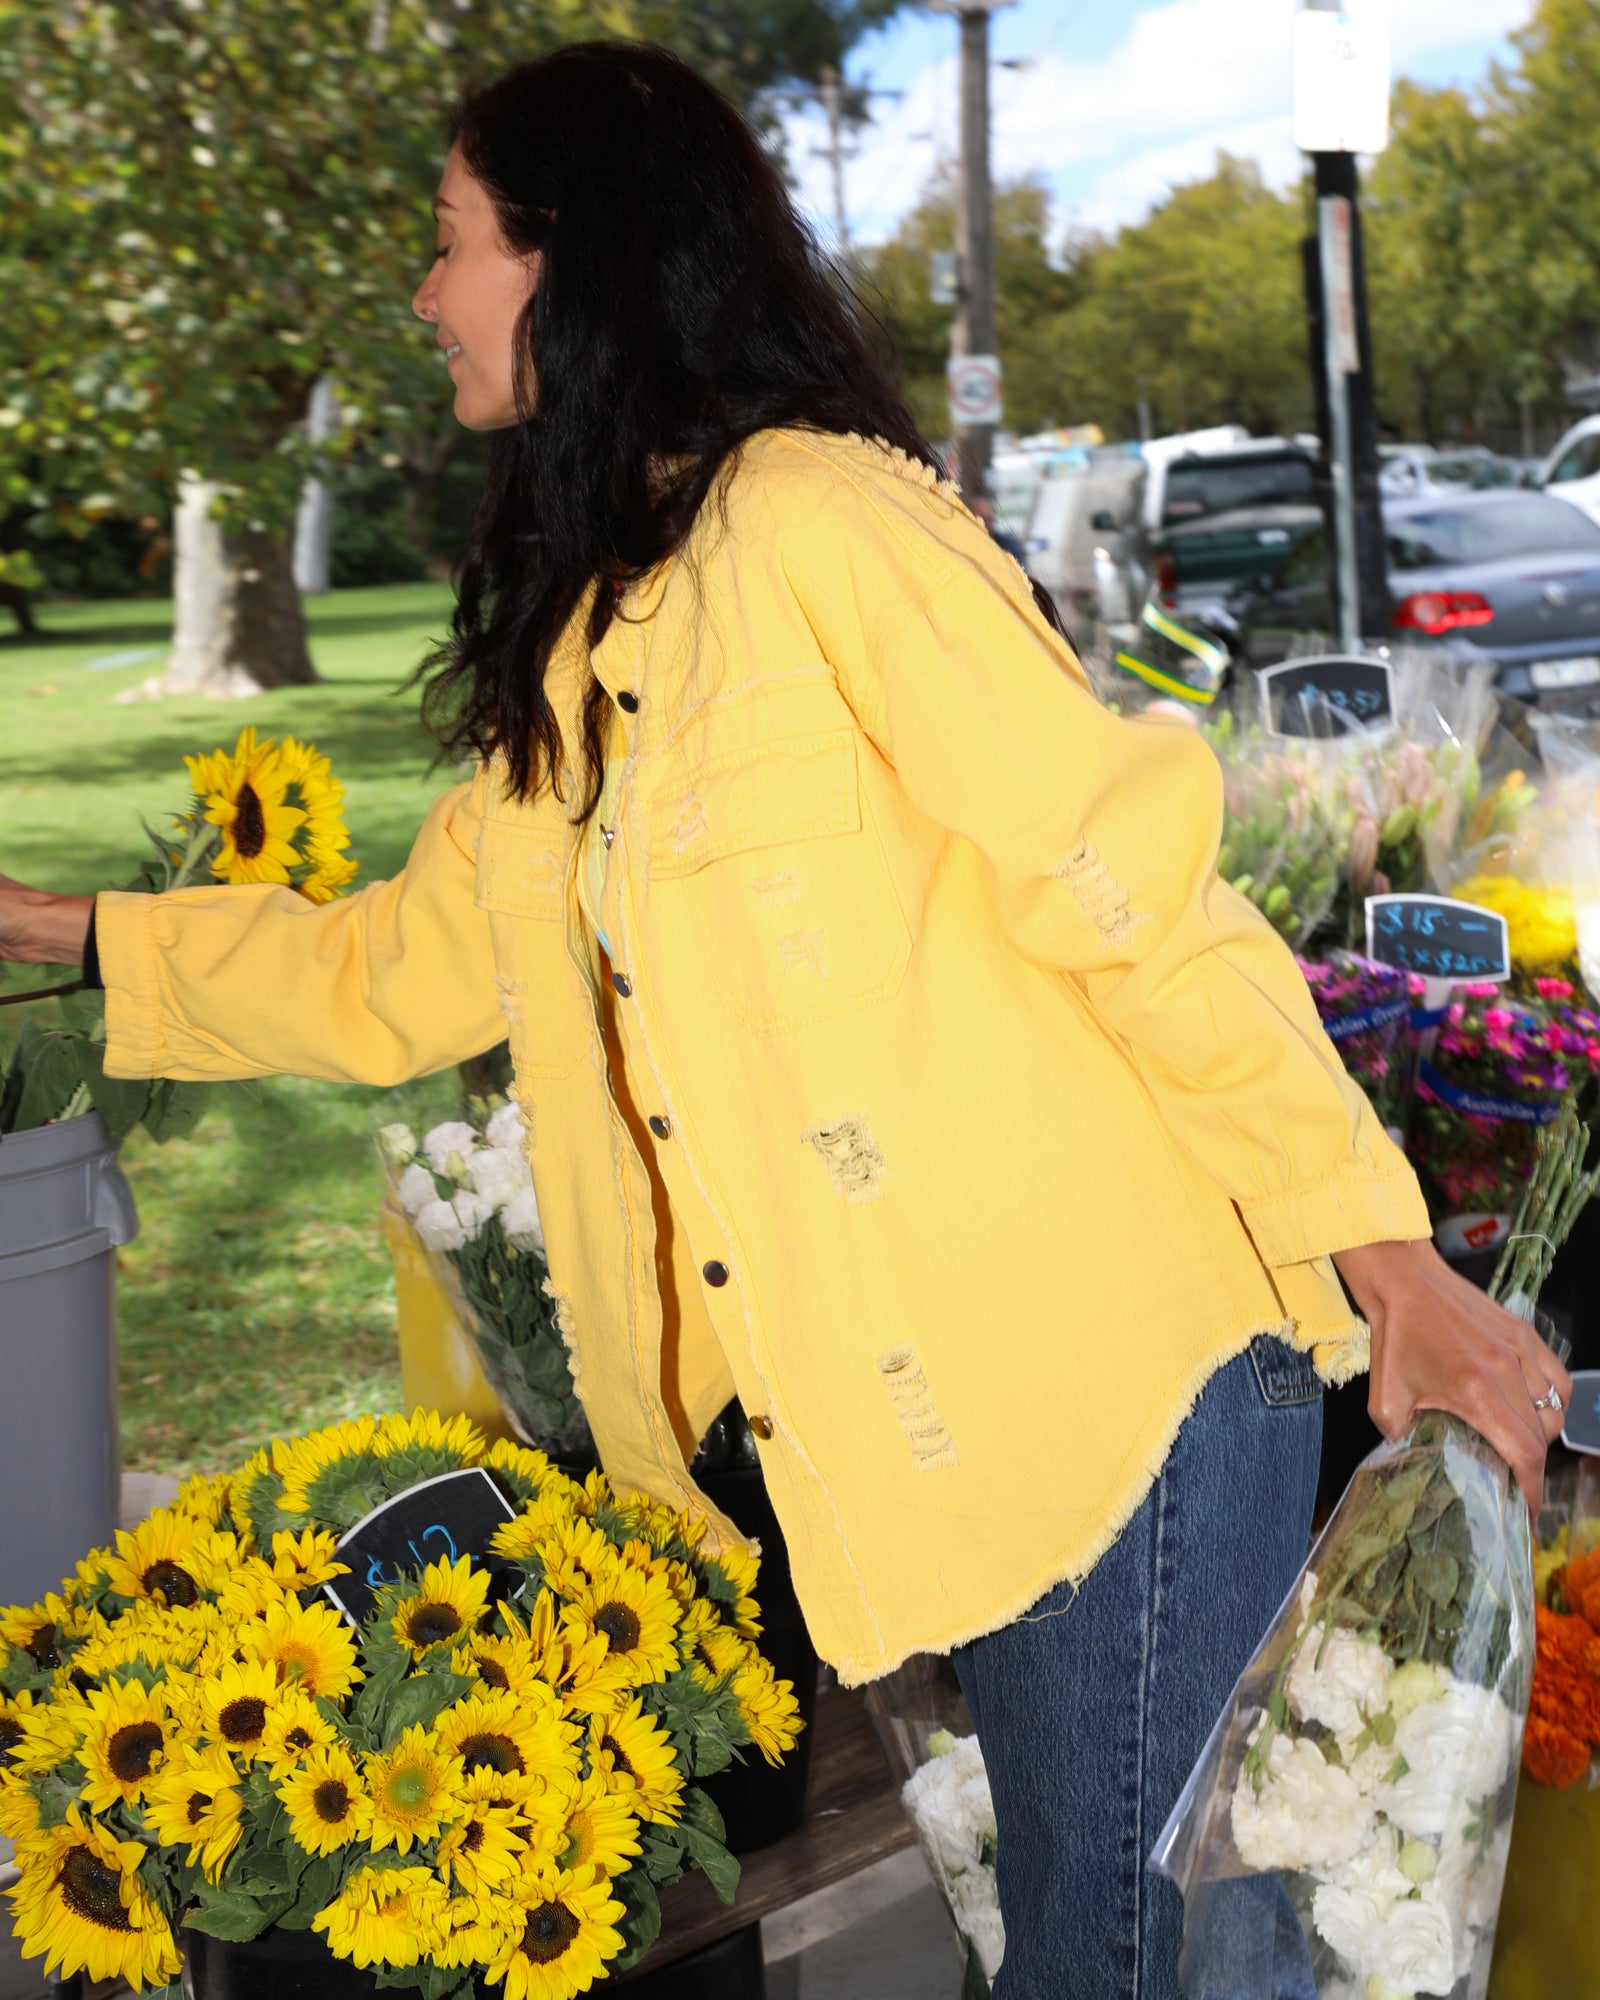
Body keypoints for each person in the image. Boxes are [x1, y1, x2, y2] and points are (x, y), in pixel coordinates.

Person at [0, 43, 1568, 1997]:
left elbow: (1127, 896)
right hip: (944, 1434)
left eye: (453, 242)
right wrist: (53, 923)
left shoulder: (827, 527)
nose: (424, 294)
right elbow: (390, 975)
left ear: (581, 261)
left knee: (1113, 1955)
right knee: (1078, 1942)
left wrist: (1387, 1253)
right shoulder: (580, 637)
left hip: (1117, 1392)